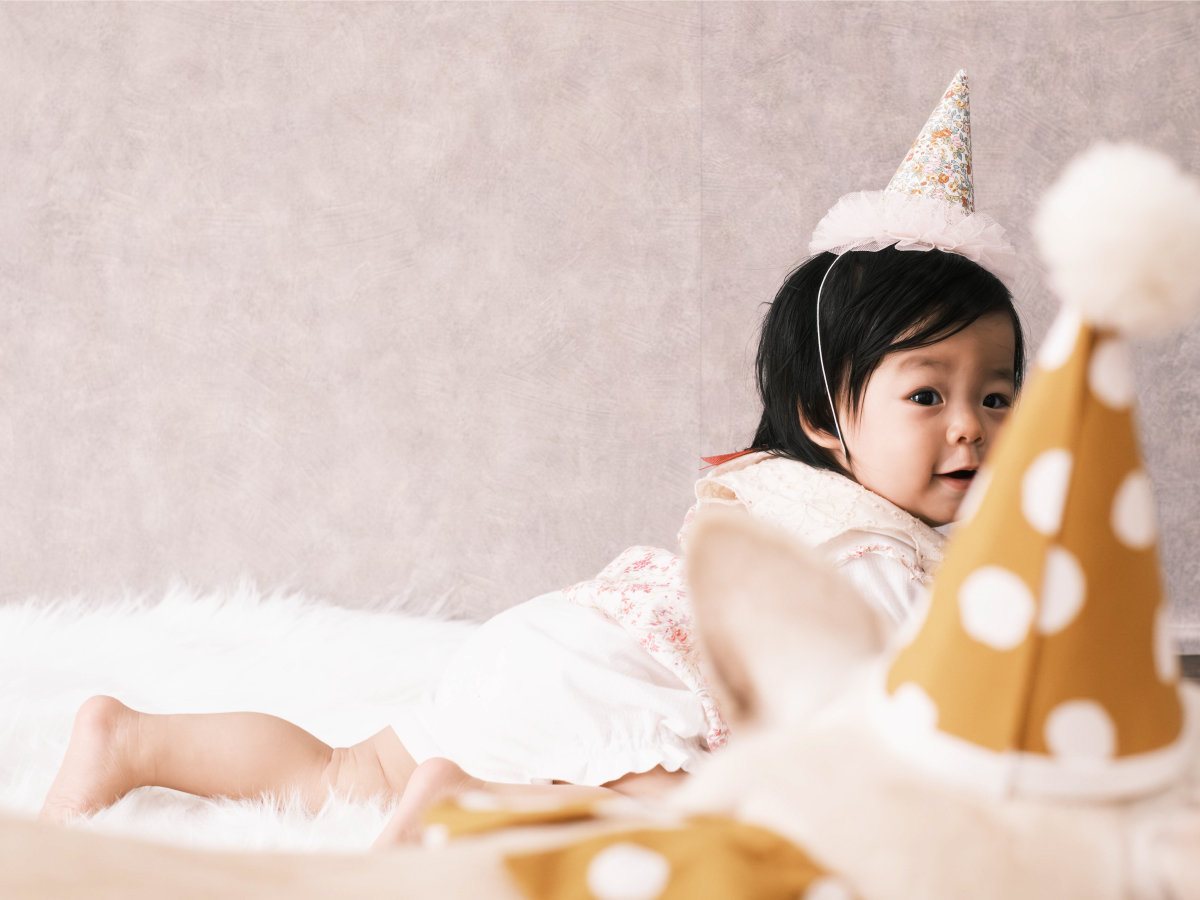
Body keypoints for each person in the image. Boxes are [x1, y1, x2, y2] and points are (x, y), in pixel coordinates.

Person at [40, 70, 1023, 848]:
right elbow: (897, 725)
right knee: (711, 825)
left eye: (996, 395)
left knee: (346, 773)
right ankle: (467, 809)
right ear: (821, 415)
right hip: (612, 694)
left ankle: (133, 739)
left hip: (548, 645)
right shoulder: (881, 559)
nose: (969, 429)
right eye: (926, 396)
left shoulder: (785, 494)